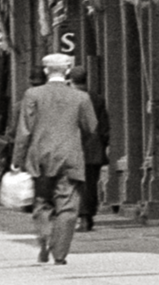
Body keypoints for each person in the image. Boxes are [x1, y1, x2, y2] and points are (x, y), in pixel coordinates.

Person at [11, 53, 98, 265]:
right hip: (69, 157)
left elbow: (24, 130)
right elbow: (91, 127)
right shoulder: (81, 98)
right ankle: (59, 253)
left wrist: (17, 159)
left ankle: (44, 236)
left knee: (41, 201)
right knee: (67, 206)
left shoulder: (32, 95)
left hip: (39, 157)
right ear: (67, 71)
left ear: (45, 71)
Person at [68, 65, 110, 232]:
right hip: (94, 149)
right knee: (90, 183)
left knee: (76, 184)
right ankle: (88, 216)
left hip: (73, 147)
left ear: (71, 80)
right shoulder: (97, 99)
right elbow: (104, 126)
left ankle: (81, 217)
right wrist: (105, 143)